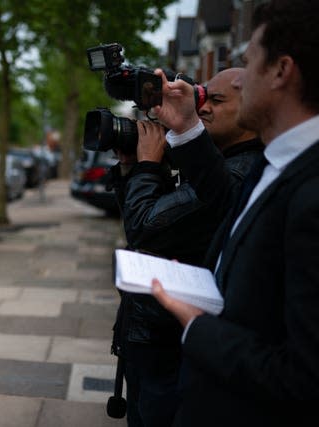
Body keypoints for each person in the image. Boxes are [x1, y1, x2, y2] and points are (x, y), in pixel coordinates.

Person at [150, 1, 319, 425]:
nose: (240, 73)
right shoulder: (276, 160)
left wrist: (198, 325)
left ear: (281, 70)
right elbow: (226, 201)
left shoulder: (312, 191)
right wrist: (186, 127)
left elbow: (306, 378)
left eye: (249, 61)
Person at [107, 68, 263, 427]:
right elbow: (146, 229)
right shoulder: (212, 163)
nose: (202, 107)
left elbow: (145, 227)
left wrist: (146, 166)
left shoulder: (236, 172)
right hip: (152, 335)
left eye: (216, 100)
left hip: (170, 343)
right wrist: (134, 166)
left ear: (254, 109)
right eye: (202, 97)